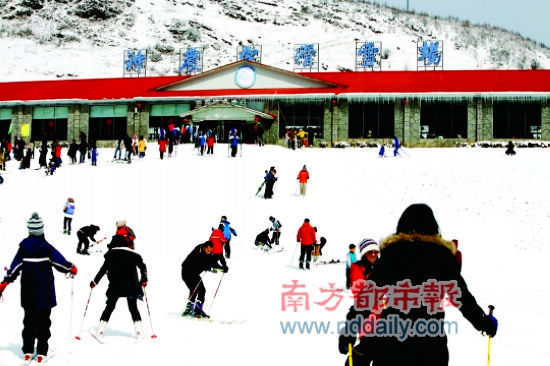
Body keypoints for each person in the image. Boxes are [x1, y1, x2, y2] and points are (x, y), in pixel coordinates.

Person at [338, 203, 498, 366]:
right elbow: (463, 299)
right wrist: (484, 323)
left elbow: (366, 300)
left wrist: (349, 330)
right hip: (431, 346)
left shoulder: (392, 255)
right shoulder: (442, 257)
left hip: (392, 344)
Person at [0, 212, 77, 364]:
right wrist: (71, 268)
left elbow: (14, 268)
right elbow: (60, 262)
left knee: (28, 322)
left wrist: (5, 282)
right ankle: (41, 353)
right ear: (42, 229)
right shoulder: (46, 248)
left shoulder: (23, 248)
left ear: (29, 230)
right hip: (45, 293)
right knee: (43, 323)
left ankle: (28, 352)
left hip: (28, 293)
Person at [90, 230, 148, 339]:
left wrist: (94, 282)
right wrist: (144, 279)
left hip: (116, 286)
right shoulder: (134, 255)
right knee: (133, 308)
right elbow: (143, 267)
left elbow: (102, 270)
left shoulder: (111, 254)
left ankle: (100, 331)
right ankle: (139, 332)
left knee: (110, 306)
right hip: (132, 285)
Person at [181, 241, 227, 318]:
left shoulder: (207, 253)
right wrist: (208, 267)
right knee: (195, 289)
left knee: (202, 290)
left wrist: (222, 268)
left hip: (195, 274)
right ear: (204, 247)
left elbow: (211, 262)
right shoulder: (197, 252)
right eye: (208, 250)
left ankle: (198, 309)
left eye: (210, 250)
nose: (209, 252)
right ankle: (189, 309)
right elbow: (201, 264)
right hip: (187, 272)